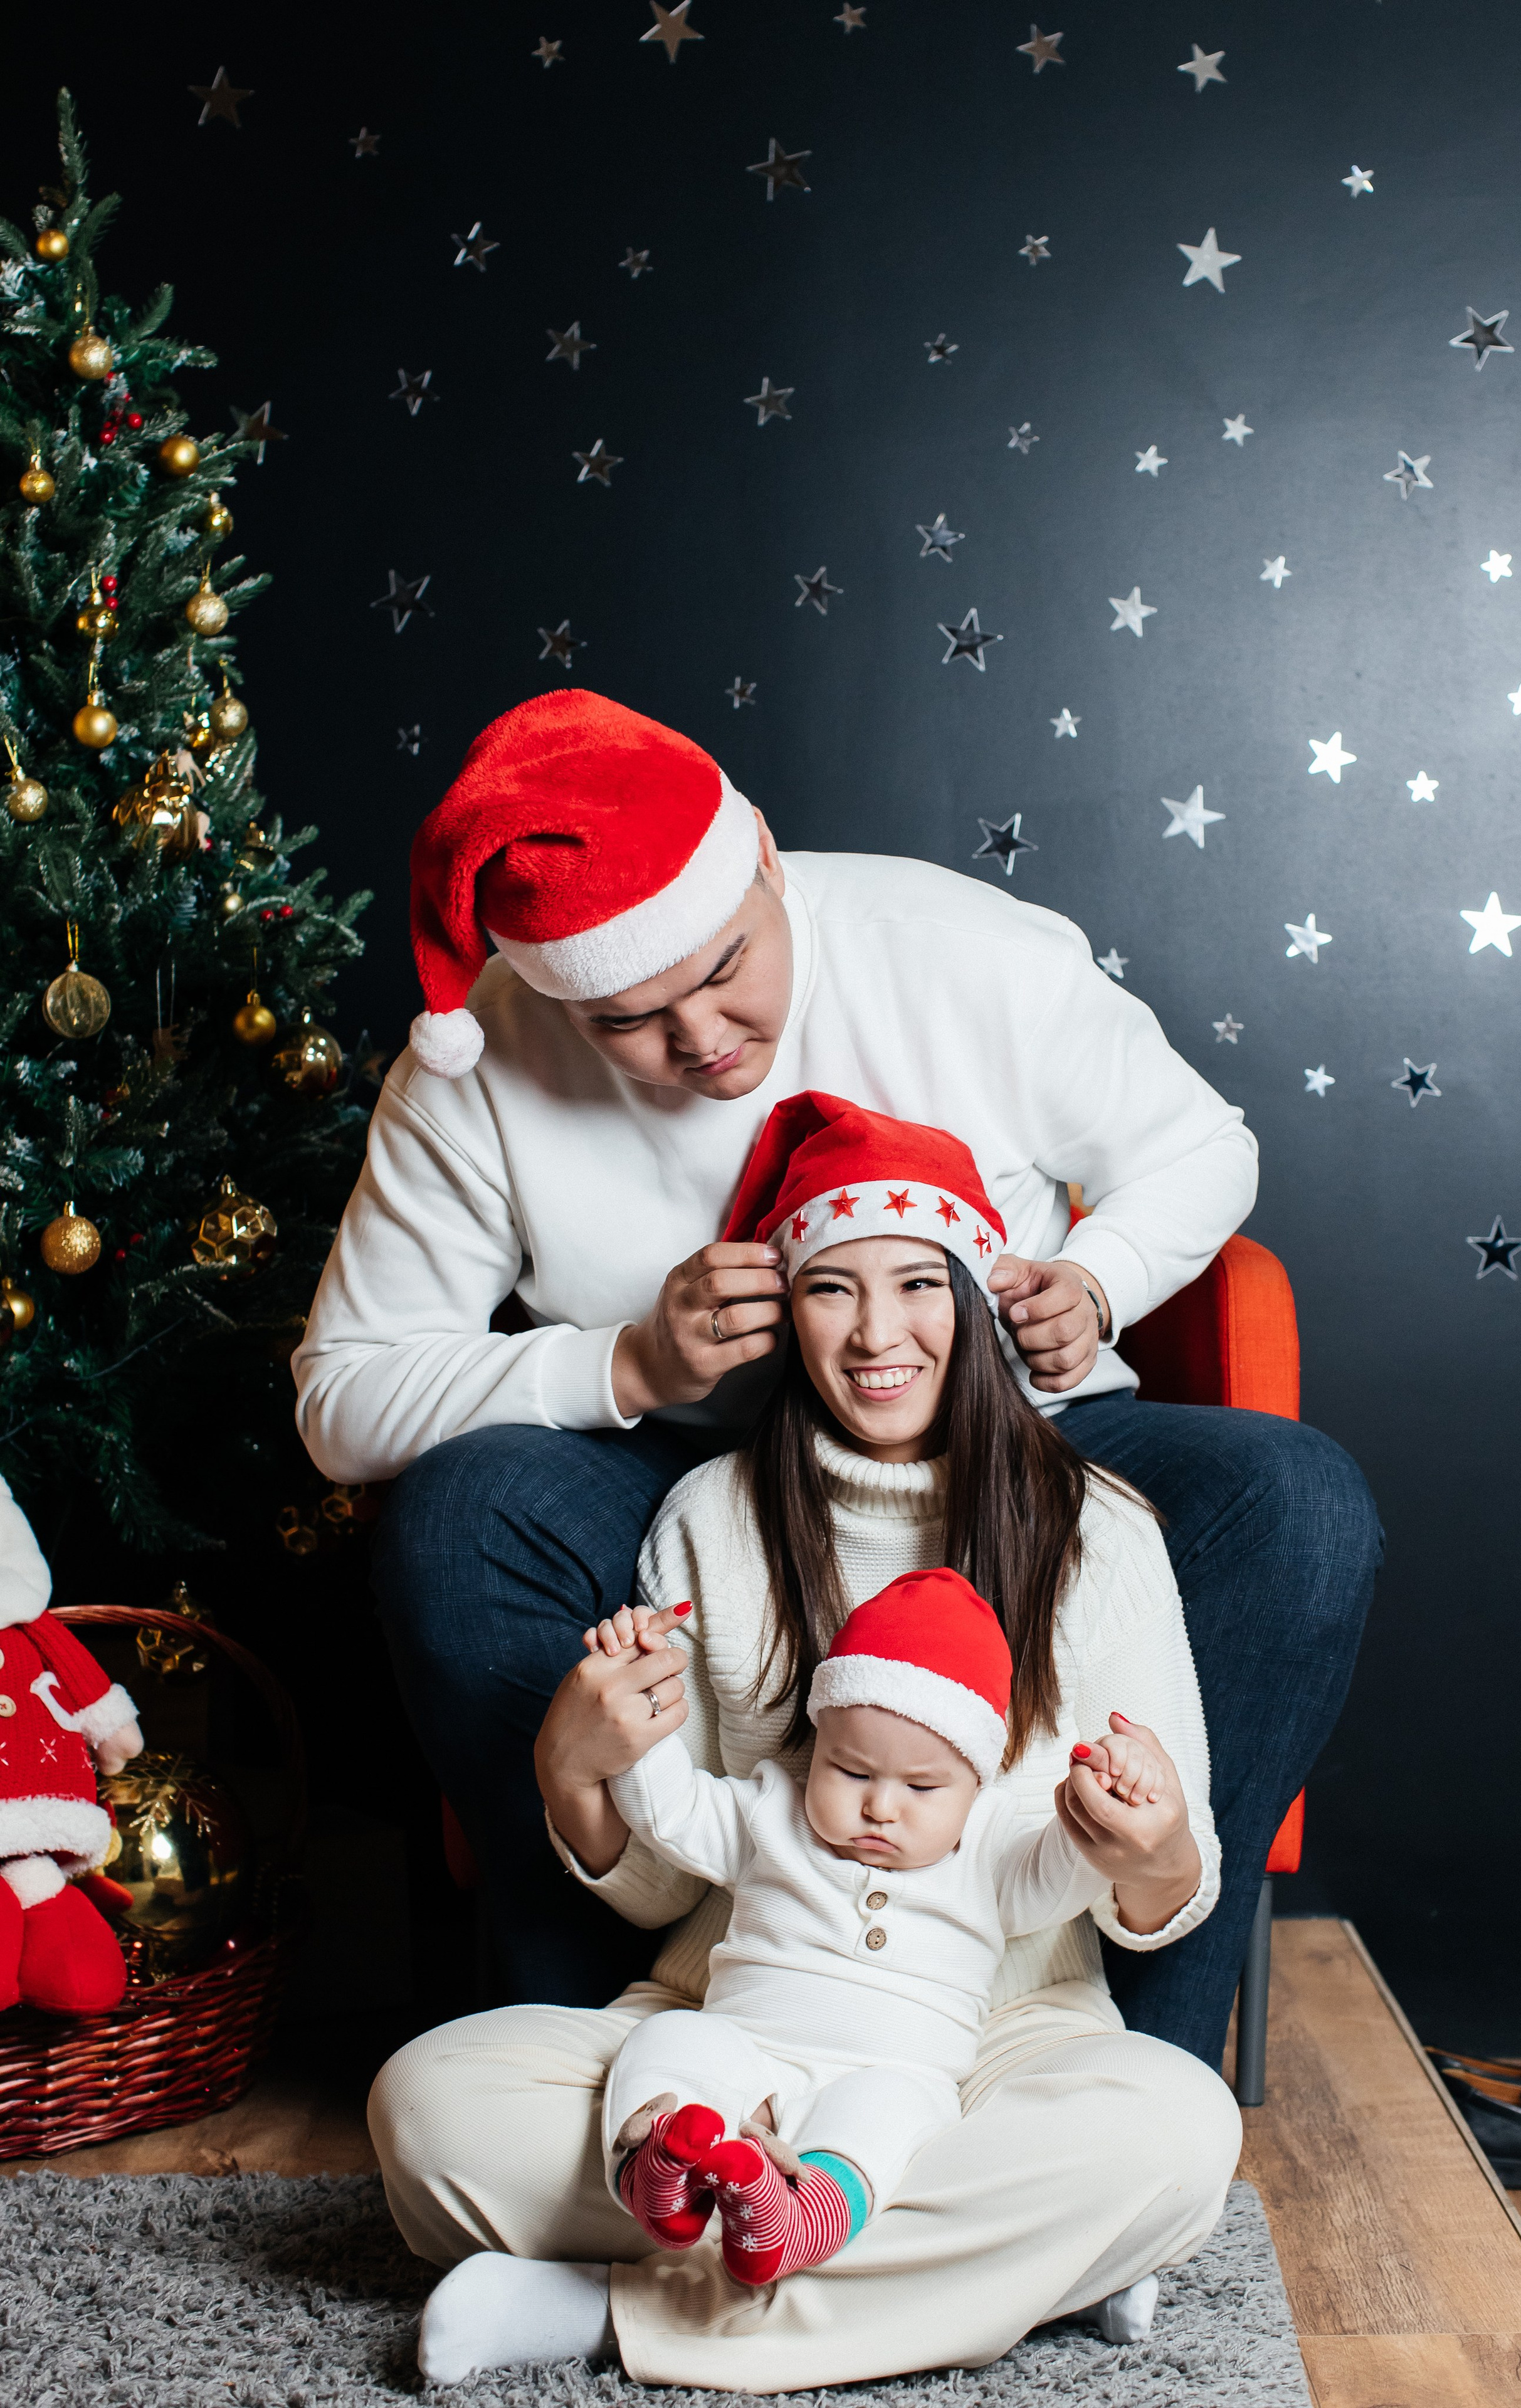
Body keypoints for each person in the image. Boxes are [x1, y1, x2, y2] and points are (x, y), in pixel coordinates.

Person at [296, 686, 1381, 2054]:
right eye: (624, 1021)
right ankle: (585, 2043)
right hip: (685, 1470)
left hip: (1015, 1444)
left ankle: (1136, 2061)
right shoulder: (474, 1067)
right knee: (460, 1518)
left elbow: (1203, 1143)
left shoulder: (950, 949)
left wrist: (1100, 1279)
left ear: (757, 855)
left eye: (718, 970)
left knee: (1296, 1499)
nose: (698, 1041)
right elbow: (342, 1397)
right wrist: (626, 1357)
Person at [371, 1103, 1241, 2392]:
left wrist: (1155, 1848)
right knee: (427, 2108)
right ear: (790, 1311)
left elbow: (1160, 1898)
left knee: (1175, 2134)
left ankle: (595, 2312)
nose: (876, 1335)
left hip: (999, 2037)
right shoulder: (711, 1520)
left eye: (912, 1287)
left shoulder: (1095, 1530)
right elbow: (675, 1880)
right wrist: (576, 1766)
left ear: (972, 1299)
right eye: (832, 1288)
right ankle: (1012, 2271)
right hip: (728, 2012)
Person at [597, 1567, 1208, 2293]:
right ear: (817, 1745)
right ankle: (659, 2168)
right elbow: (667, 1807)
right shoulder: (769, 1812)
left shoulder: (991, 1850)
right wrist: (638, 1694)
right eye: (850, 1771)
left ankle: (791, 2217)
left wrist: (1115, 1787)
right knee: (670, 2041)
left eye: (921, 1788)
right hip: (746, 2046)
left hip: (894, 2074)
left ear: (977, 1783)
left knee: (891, 2121)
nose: (880, 1807)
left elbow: (1072, 1865)